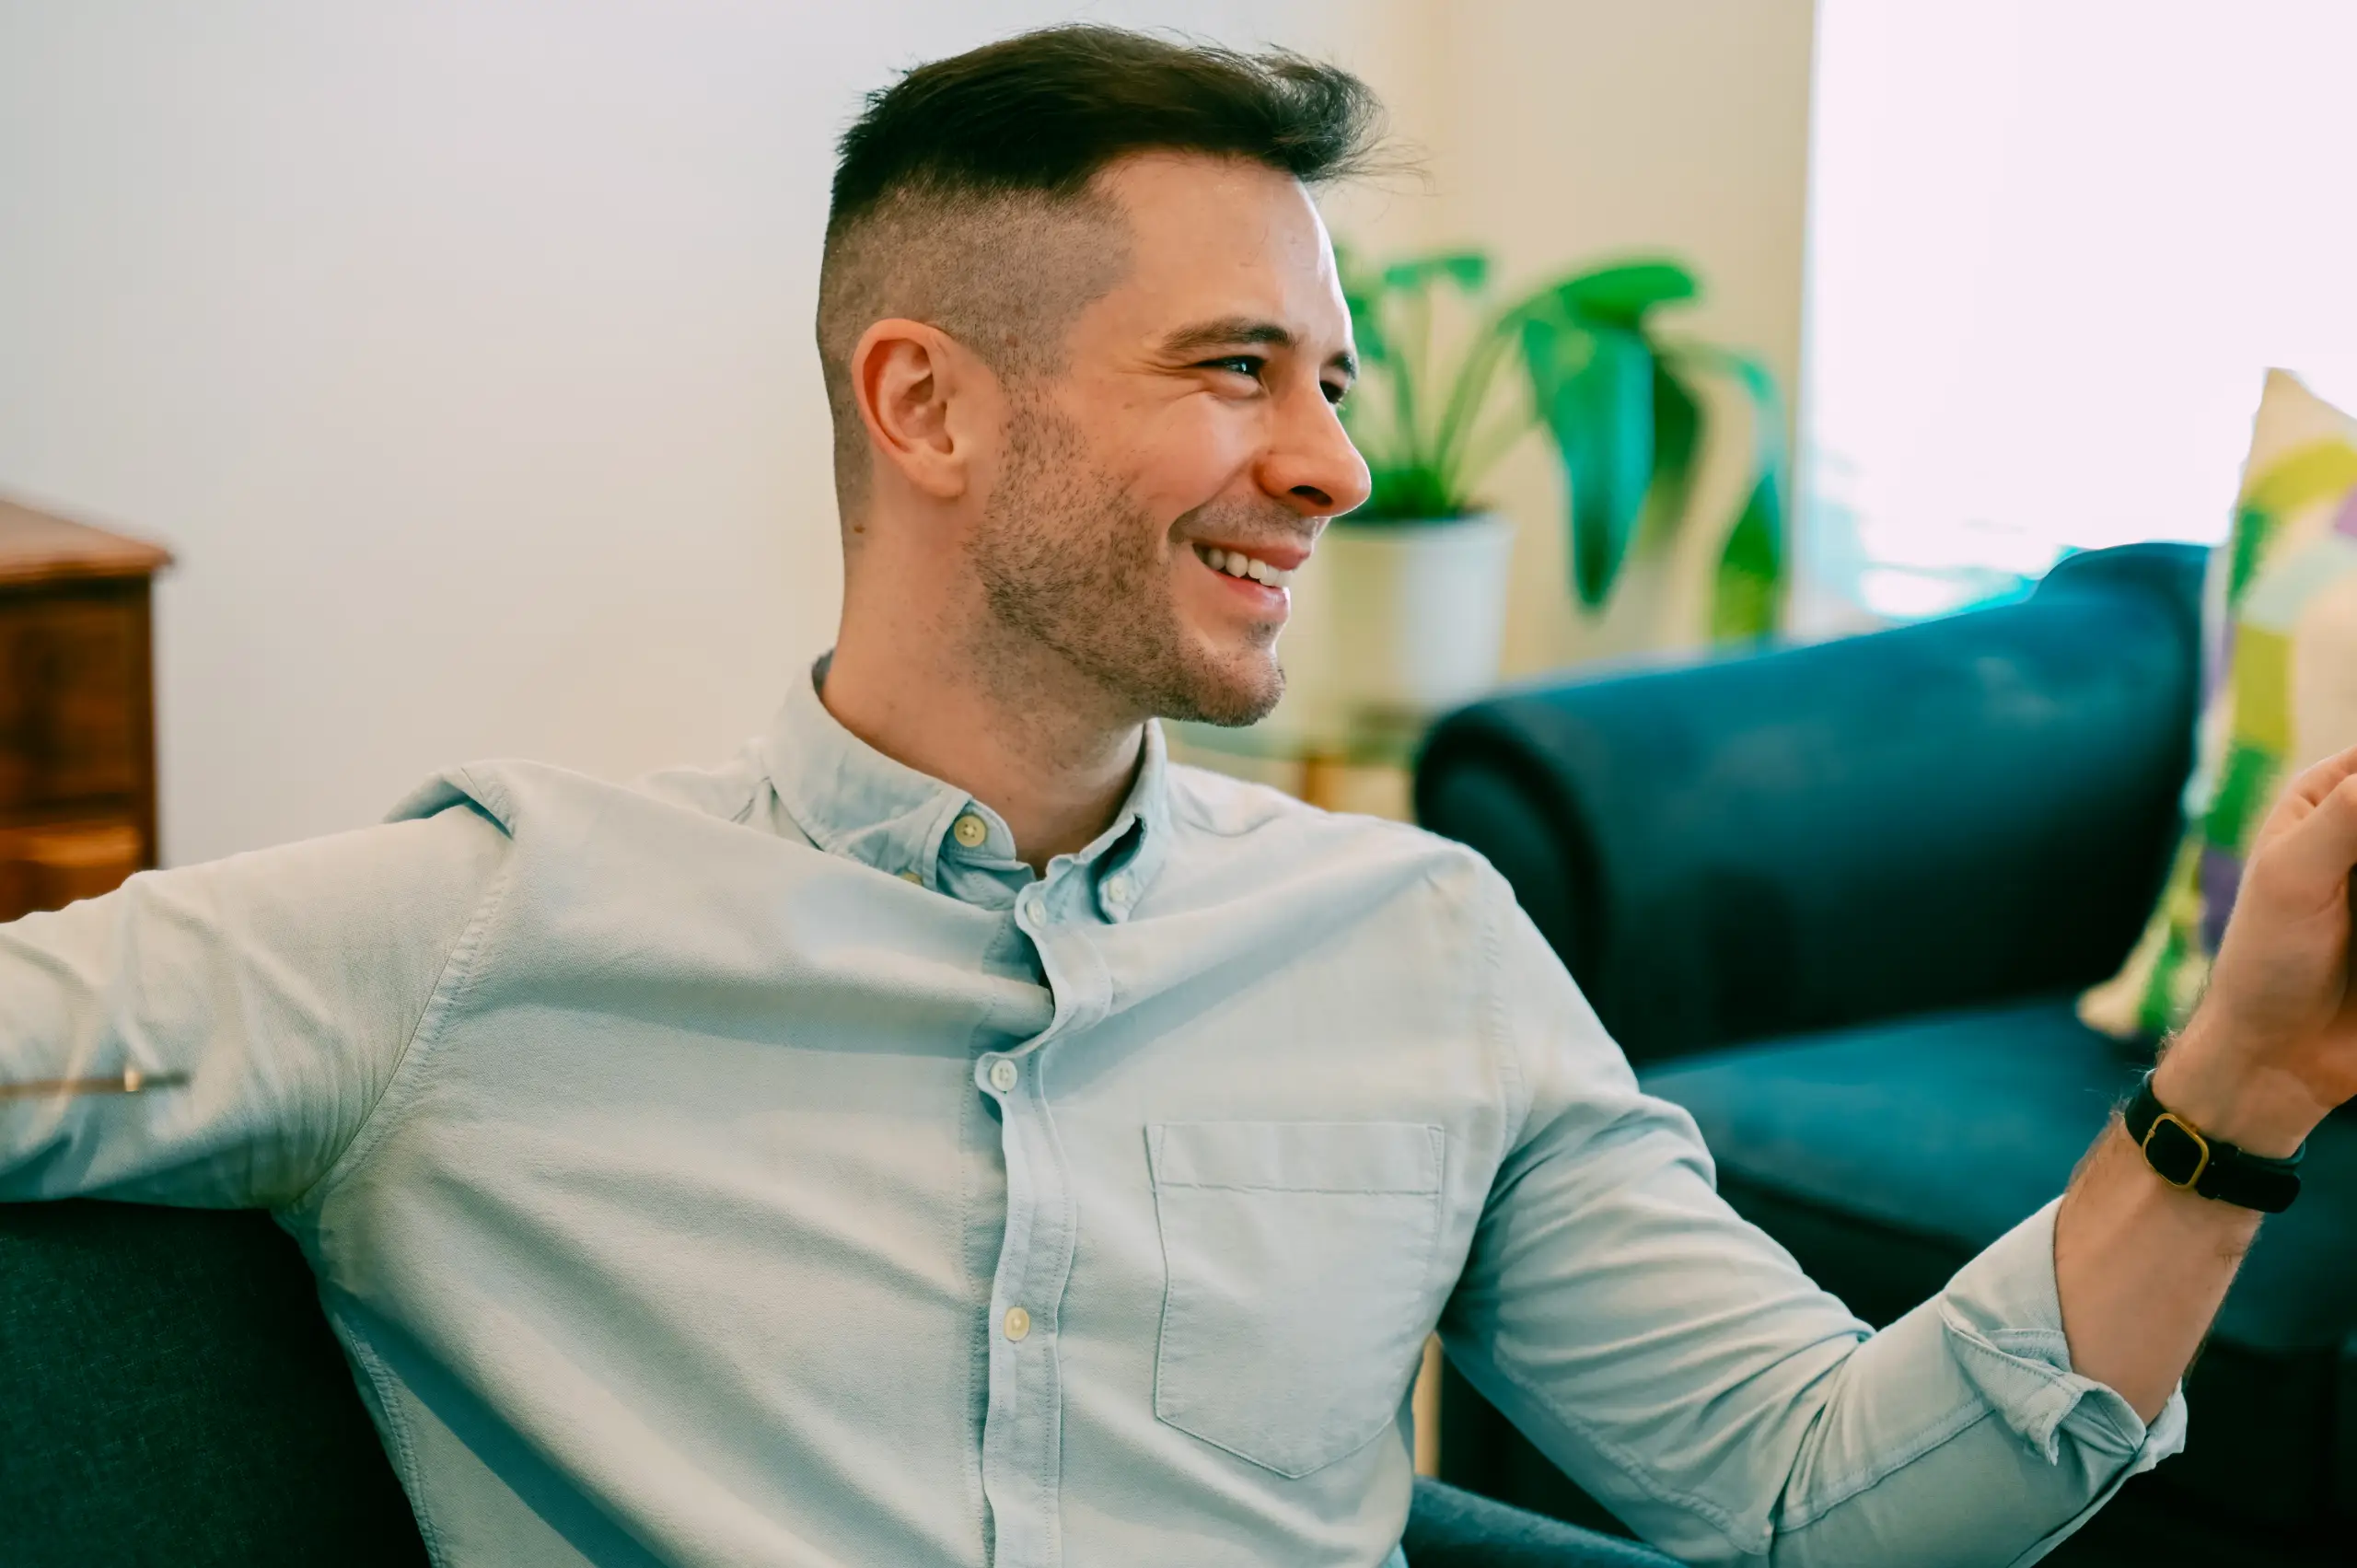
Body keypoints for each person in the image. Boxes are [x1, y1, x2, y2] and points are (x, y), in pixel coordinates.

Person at [5, 25, 2354, 1568]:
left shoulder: (1421, 949)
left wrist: (2239, 1071)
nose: (1331, 464)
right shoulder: (471, 934)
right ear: (923, 407)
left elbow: (1815, 1499)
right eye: (1236, 369)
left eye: (1327, 379)